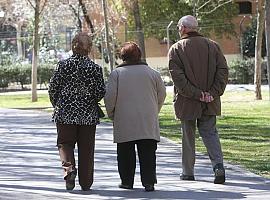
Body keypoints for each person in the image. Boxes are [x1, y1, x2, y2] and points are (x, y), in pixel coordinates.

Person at [168, 15, 228, 184]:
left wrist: (197, 94)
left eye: (179, 27)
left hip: (187, 101)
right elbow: (223, 72)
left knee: (188, 136)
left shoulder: (176, 49)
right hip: (210, 101)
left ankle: (188, 172)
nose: (179, 30)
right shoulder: (213, 46)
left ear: (184, 28)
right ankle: (218, 167)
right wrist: (212, 93)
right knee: (210, 134)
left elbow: (178, 79)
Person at [104, 42, 166, 192]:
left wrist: (112, 113)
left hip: (124, 118)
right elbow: (162, 94)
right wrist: (154, 110)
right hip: (147, 119)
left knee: (125, 153)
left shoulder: (117, 74)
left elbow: (110, 97)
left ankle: (127, 181)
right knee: (148, 153)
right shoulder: (152, 73)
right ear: (139, 55)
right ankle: (149, 182)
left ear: (122, 56)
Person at [48, 32, 105, 191]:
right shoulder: (95, 68)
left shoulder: (62, 65)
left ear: (73, 46)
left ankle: (69, 170)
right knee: (87, 148)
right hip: (87, 115)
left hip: (65, 113)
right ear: (89, 48)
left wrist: (57, 104)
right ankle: (86, 183)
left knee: (65, 144)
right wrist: (90, 100)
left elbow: (53, 88)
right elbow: (100, 91)